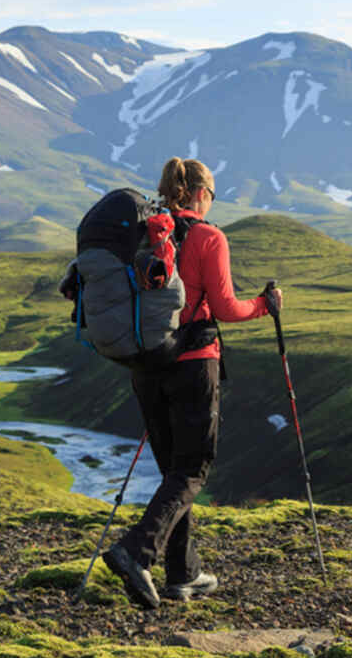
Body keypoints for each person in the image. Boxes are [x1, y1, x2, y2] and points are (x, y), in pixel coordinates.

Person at [102, 157, 281, 609]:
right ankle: (135, 551)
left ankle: (183, 574)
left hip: (146, 365)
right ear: (202, 194)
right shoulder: (208, 237)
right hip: (194, 362)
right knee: (194, 467)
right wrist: (264, 305)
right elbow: (224, 308)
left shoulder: (141, 236)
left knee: (174, 472)